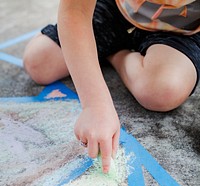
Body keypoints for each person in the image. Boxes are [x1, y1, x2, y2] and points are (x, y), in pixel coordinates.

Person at [23, 0, 200, 173]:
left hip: (184, 28)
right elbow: (75, 11)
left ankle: (116, 53)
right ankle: (113, 49)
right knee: (40, 62)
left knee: (162, 90)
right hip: (120, 10)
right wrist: (95, 105)